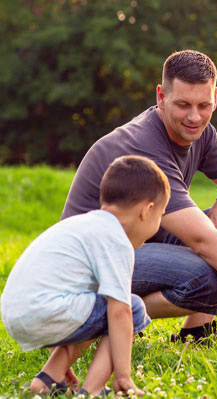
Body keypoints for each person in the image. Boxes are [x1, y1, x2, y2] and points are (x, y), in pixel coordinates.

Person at [61, 49, 217, 343]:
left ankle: (197, 331)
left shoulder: (201, 132)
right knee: (203, 276)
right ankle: (109, 318)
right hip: (92, 266)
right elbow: (202, 240)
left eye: (203, 105)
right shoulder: (144, 143)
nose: (194, 117)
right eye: (183, 104)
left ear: (215, 98)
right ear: (161, 96)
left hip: (142, 240)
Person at [1, 155, 168, 396]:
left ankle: (49, 379)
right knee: (131, 307)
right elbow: (119, 311)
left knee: (96, 306)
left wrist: (60, 355)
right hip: (46, 310)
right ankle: (93, 389)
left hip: (16, 313)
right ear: (147, 210)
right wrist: (123, 375)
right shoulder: (116, 239)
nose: (158, 223)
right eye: (161, 215)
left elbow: (61, 292)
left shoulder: (83, 226)